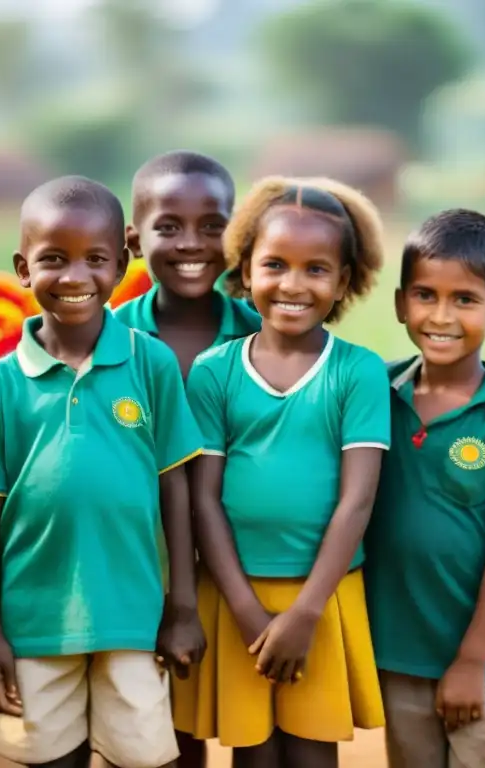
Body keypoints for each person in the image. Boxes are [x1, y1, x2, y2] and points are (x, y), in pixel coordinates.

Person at [0, 151, 258, 768]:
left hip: (154, 600)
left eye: (94, 260)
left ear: (119, 261)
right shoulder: (5, 381)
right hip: (42, 617)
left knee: (161, 745)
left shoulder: (224, 342)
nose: (74, 276)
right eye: (53, 259)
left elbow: (175, 485)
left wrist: (181, 607)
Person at [174, 177, 390, 768]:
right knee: (254, 756)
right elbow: (205, 501)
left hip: (322, 595)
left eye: (316, 269)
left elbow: (357, 502)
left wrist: (305, 613)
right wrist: (247, 612)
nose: (293, 284)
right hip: (235, 594)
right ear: (244, 271)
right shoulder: (214, 373)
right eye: (275, 265)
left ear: (344, 281)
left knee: (312, 753)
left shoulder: (357, 372)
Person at [364, 209, 485, 768]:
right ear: (401, 303)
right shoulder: (375, 392)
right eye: (425, 295)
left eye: (465, 300)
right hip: (398, 652)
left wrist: (471, 659)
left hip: (482, 661)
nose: (441, 316)